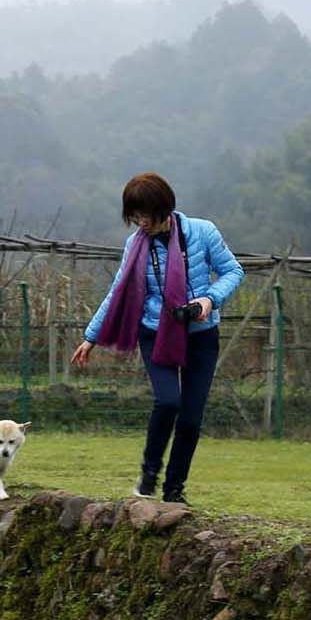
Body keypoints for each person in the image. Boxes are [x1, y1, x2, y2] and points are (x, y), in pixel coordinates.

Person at [71, 172, 244, 503]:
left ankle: (174, 490)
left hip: (201, 335)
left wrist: (209, 299)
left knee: (191, 419)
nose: (139, 223)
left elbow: (234, 271)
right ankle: (149, 473)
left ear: (163, 208)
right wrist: (90, 336)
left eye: (143, 215)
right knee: (168, 401)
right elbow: (117, 291)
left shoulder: (203, 232)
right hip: (155, 332)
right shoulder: (135, 245)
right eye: (133, 217)